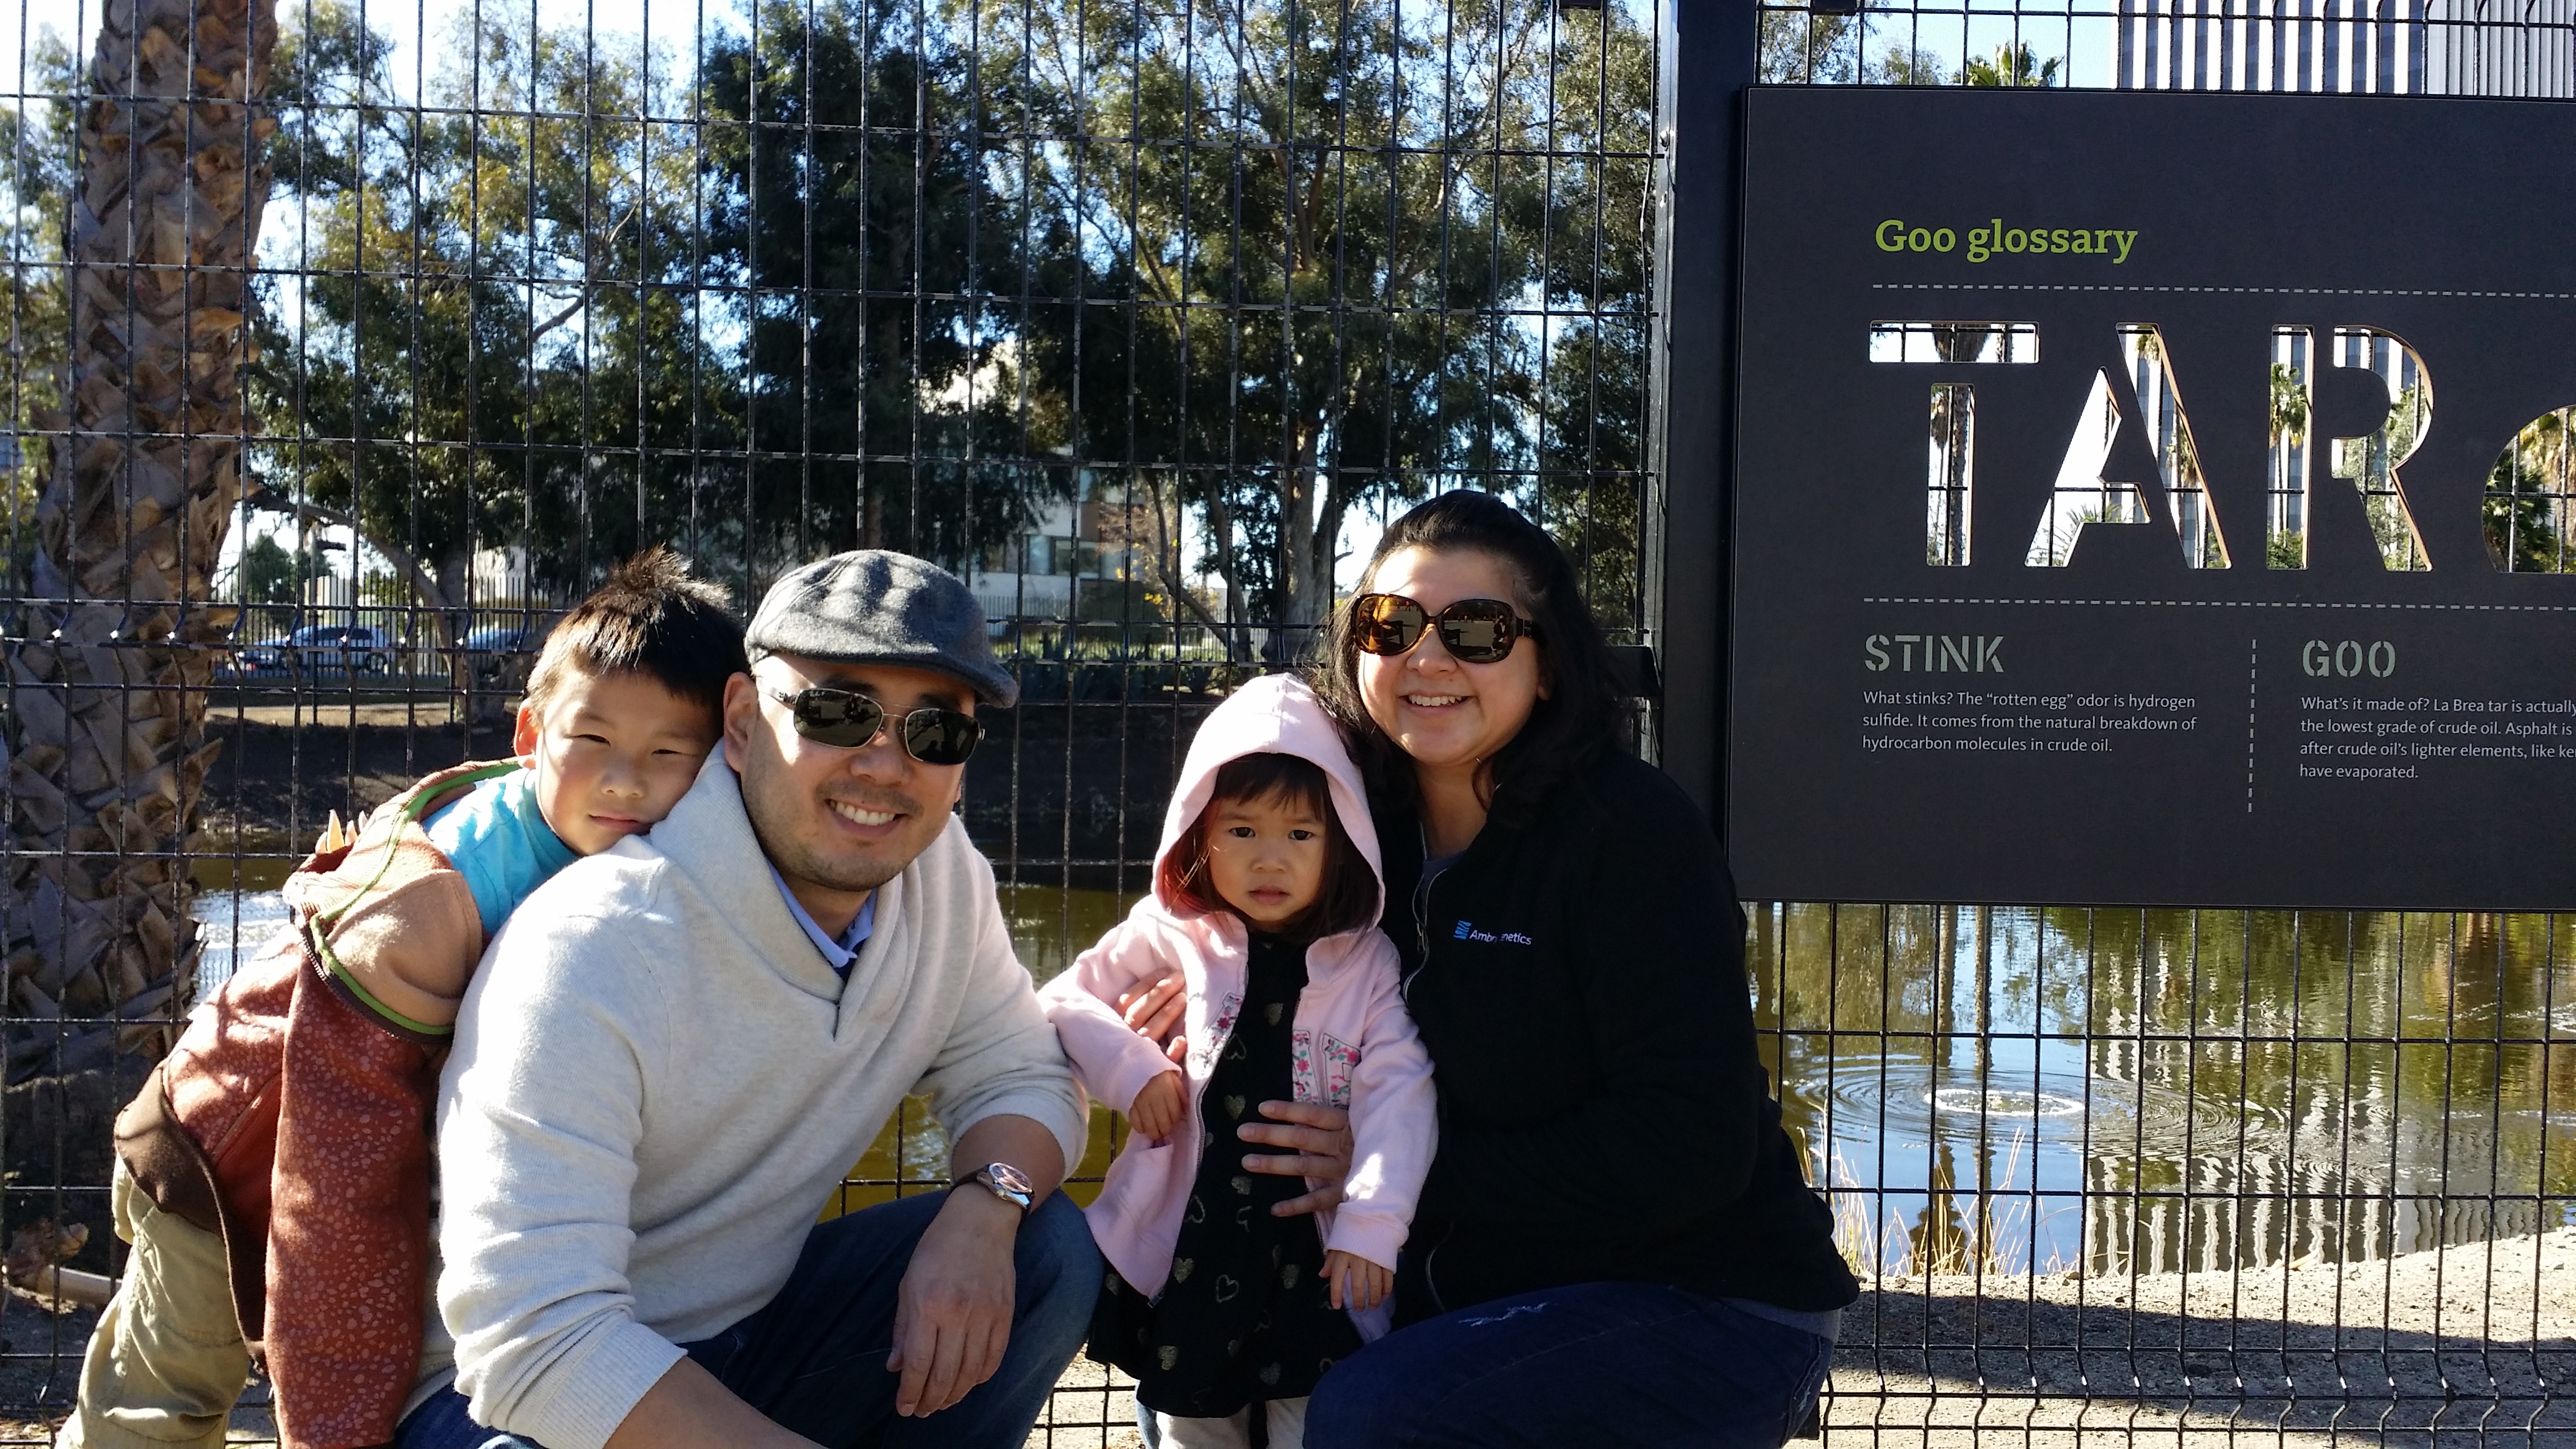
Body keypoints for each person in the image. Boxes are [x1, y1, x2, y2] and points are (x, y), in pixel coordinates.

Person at [1125, 492, 1859, 1448]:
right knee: (1192, 1365)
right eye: (1390, 624)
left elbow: (1692, 1145)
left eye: (1476, 630)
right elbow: (1228, 947)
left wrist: (1393, 1171)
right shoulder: (1345, 834)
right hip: (1472, 1281)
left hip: (1702, 1292)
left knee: (1376, 1415)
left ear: (1547, 663)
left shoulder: (1630, 836)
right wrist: (1209, 996)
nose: (1428, 658)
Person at [396, 550, 1099, 1449]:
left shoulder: (940, 878)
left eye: (936, 731)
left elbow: (1023, 1071)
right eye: (839, 712)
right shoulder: (590, 946)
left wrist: (987, 1204)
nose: (886, 765)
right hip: (502, 1403)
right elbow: (532, 1342)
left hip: (747, 1330)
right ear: (741, 721)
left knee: (1046, 1253)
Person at [67, 548, 745, 1449]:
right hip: (223, 1150)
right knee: (162, 1405)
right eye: (595, 742)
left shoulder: (627, 858)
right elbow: (338, 1191)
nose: (627, 779)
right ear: (529, 736)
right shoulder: (453, 890)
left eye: (670, 754)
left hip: (341, 1142)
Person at [1040, 675, 1435, 1449]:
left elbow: (1401, 1090)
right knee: (1195, 1422)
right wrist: (1133, 1070)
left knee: (1312, 1423)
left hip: (1316, 1254)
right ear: (1199, 832)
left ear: (1344, 839)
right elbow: (1060, 1000)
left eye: (1300, 835)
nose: (1270, 859)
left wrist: (1372, 1221)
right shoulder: (1168, 932)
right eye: (1242, 830)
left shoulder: (1368, 963)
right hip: (1195, 1241)